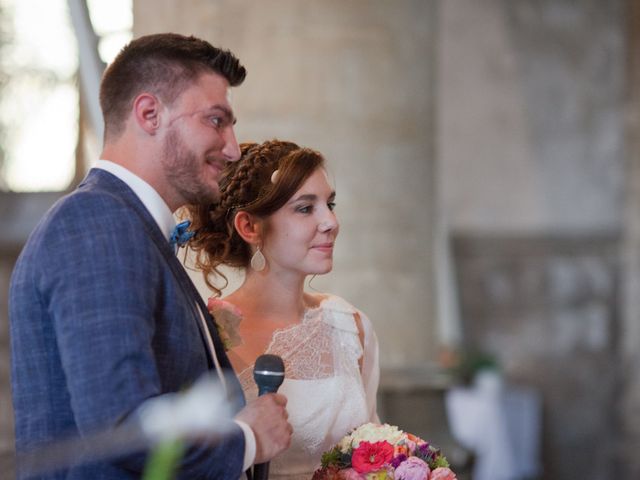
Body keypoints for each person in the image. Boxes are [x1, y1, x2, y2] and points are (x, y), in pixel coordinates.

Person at [9, 33, 291, 479]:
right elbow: (122, 429)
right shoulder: (97, 222)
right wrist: (248, 439)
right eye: (216, 120)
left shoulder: (132, 227)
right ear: (149, 113)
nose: (234, 148)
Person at [185, 139, 380, 479]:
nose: (330, 221)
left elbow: (373, 449)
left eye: (330, 204)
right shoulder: (206, 333)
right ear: (250, 227)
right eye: (306, 208)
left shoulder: (351, 325)